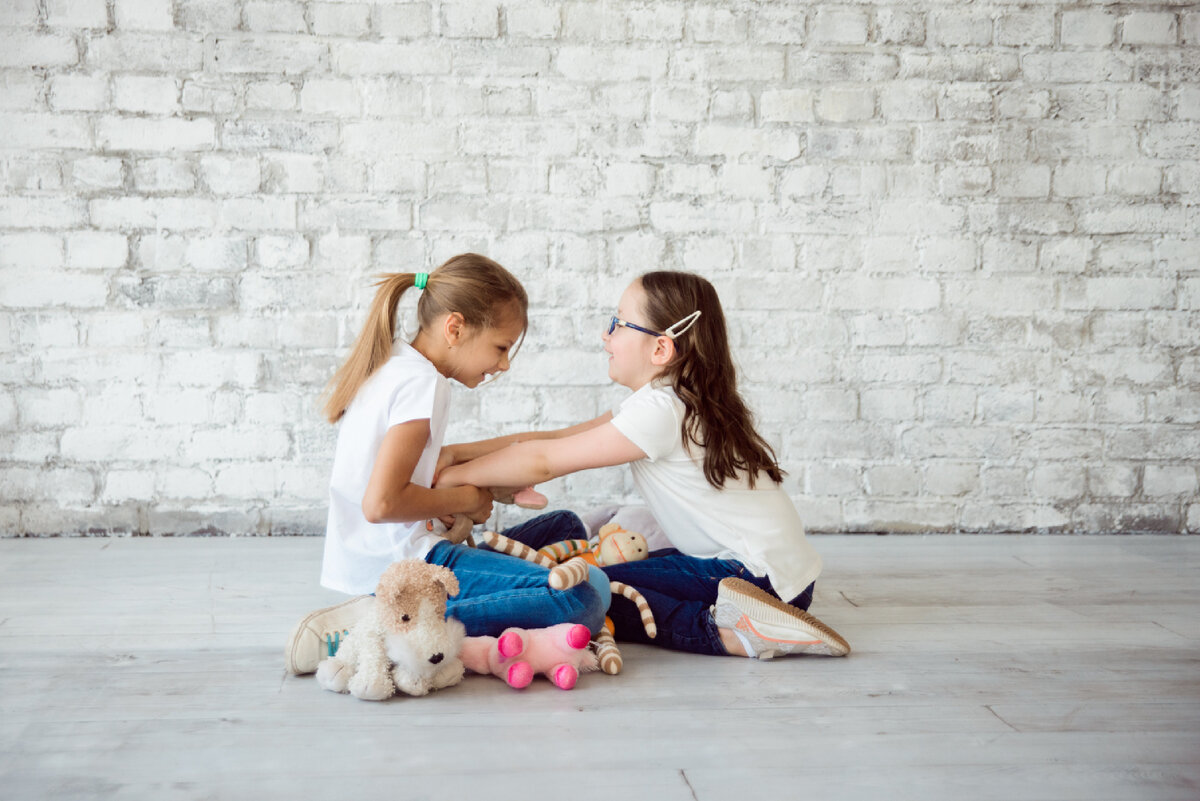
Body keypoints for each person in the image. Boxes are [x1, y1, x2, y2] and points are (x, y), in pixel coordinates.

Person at [437, 271, 850, 659]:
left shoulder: (660, 410)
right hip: (782, 576)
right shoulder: (672, 400)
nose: (606, 334)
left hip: (751, 578)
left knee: (600, 589)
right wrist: (458, 454)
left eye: (618, 323)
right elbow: (556, 439)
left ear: (660, 348)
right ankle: (758, 618)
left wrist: (454, 479)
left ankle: (736, 633)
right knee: (611, 569)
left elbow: (544, 462)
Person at [285, 254, 608, 675]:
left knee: (565, 526)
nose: (505, 364)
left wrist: (586, 432)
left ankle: (468, 610)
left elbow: (432, 464)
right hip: (406, 568)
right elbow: (380, 503)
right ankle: (382, 623)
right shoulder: (423, 383)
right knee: (584, 598)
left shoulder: (398, 365)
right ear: (454, 328)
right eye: (501, 347)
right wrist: (469, 499)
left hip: (391, 552)